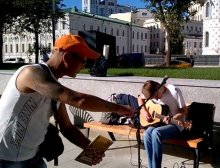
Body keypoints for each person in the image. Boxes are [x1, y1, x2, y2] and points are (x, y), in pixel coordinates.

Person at [0, 34, 134, 168]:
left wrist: (90, 149)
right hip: (5, 158)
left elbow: (67, 127)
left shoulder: (54, 87)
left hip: (33, 158)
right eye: (83, 61)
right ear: (67, 57)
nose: (84, 66)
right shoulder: (31, 73)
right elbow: (78, 100)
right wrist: (119, 108)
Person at [138, 80, 187, 168]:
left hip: (176, 125)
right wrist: (144, 111)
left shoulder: (174, 91)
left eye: (156, 96)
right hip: (160, 123)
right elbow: (139, 98)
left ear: (159, 87)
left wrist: (173, 118)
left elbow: (184, 110)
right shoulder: (152, 91)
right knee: (146, 134)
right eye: (153, 98)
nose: (156, 99)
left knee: (156, 133)